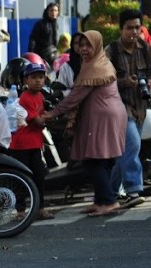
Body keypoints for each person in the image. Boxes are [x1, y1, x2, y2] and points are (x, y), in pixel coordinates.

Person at [42, 31, 126, 217]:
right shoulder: (99, 61)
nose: (84, 49)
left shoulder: (94, 67)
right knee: (103, 161)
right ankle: (101, 200)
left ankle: (110, 202)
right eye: (81, 45)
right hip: (109, 116)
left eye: (88, 45)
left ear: (96, 45)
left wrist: (52, 113)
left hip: (103, 117)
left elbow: (75, 96)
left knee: (93, 161)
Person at [106, 8, 150, 207]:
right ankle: (133, 189)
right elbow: (103, 81)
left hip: (140, 106)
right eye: (129, 28)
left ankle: (109, 193)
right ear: (120, 28)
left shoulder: (146, 49)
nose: (134, 32)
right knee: (132, 145)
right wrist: (125, 82)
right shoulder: (111, 51)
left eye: (137, 28)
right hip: (119, 107)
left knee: (124, 153)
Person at [9, 62, 53, 220]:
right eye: (33, 77)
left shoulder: (40, 96)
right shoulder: (25, 98)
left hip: (35, 143)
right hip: (22, 145)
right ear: (25, 80)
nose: (38, 80)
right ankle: (20, 210)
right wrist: (52, 116)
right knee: (22, 178)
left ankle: (40, 208)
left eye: (41, 77)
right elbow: (38, 122)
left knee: (39, 176)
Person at [28, 3, 60, 67]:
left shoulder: (56, 24)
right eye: (51, 10)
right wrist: (32, 54)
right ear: (47, 11)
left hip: (53, 55)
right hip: (41, 55)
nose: (53, 12)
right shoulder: (40, 24)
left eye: (55, 10)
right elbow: (33, 39)